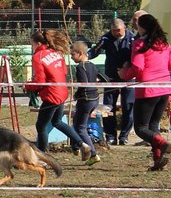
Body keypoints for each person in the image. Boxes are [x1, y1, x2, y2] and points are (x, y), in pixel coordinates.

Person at [118, 14, 171, 171]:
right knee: (153, 126)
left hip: (147, 89)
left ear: (142, 27)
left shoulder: (139, 44)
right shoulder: (165, 44)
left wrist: (124, 74)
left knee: (141, 129)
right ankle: (158, 161)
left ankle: (163, 144)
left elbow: (138, 68)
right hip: (164, 89)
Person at [24, 30, 91, 162]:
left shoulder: (38, 56)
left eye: (32, 45)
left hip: (51, 95)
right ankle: (81, 144)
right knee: (57, 121)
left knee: (41, 126)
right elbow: (64, 71)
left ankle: (41, 158)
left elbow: (40, 81)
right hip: (61, 91)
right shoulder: (56, 53)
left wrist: (28, 85)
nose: (32, 48)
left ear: (38, 43)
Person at [88, 18, 134, 146]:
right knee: (108, 108)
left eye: (118, 30)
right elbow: (95, 51)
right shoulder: (106, 38)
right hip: (110, 78)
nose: (116, 33)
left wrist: (127, 66)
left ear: (124, 28)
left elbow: (137, 55)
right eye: (113, 31)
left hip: (128, 77)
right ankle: (110, 136)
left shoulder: (132, 38)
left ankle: (124, 136)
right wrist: (85, 56)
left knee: (128, 107)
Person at [70, 41, 101, 166]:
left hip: (86, 99)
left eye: (73, 54)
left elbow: (84, 84)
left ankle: (93, 153)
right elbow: (103, 78)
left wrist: (77, 95)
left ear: (80, 53)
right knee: (76, 124)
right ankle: (76, 146)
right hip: (95, 99)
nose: (71, 57)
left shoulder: (81, 67)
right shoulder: (93, 65)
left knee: (80, 128)